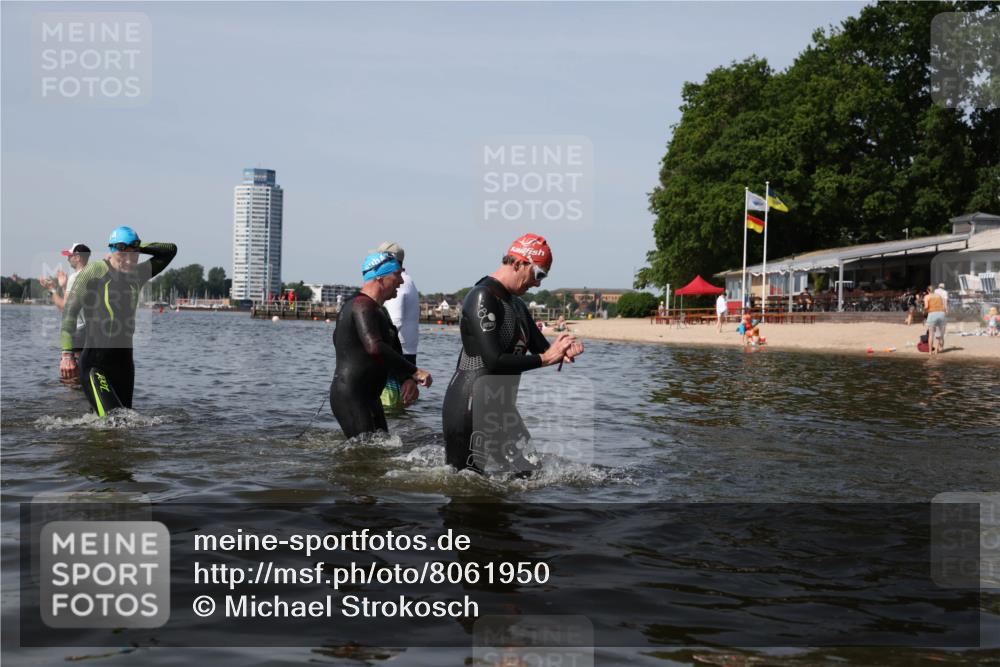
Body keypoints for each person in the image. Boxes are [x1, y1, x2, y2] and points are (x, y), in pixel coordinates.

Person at [442, 234, 583, 475]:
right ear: (518, 263)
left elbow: (543, 348)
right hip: (470, 407)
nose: (538, 284)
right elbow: (493, 360)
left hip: (503, 412)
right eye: (538, 274)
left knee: (530, 474)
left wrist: (564, 349)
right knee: (468, 491)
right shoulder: (482, 296)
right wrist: (547, 359)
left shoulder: (517, 305)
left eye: (544, 277)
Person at [59, 227, 176, 414]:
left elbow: (170, 250)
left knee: (123, 424)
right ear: (112, 251)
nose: (130, 261)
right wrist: (66, 355)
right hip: (95, 364)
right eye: (123, 255)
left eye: (134, 255)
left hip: (124, 367)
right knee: (115, 420)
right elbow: (69, 312)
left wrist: (136, 245)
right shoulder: (94, 271)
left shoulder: (138, 274)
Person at [330, 251, 432, 439]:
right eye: (397, 275)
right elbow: (375, 347)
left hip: (369, 396)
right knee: (364, 458)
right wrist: (415, 371)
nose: (401, 281)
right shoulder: (361, 306)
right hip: (352, 396)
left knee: (379, 452)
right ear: (380, 277)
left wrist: (406, 378)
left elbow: (392, 347)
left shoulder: (377, 310)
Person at [372, 242, 420, 409]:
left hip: (396, 355)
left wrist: (375, 347)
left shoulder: (397, 283)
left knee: (389, 407)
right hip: (405, 353)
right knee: (398, 408)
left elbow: (395, 321)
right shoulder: (408, 280)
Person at [41, 243, 92, 362]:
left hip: (80, 332)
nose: (68, 259)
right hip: (93, 332)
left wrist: (52, 290)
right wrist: (64, 287)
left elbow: (65, 309)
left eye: (70, 256)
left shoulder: (75, 277)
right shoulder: (93, 275)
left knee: (73, 375)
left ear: (78, 257)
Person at [923, 283, 947, 354]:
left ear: (928, 290)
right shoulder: (939, 296)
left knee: (931, 334)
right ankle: (937, 350)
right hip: (941, 314)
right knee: (939, 334)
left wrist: (923, 310)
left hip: (933, 314)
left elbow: (926, 307)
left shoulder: (927, 296)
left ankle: (930, 352)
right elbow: (942, 305)